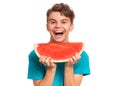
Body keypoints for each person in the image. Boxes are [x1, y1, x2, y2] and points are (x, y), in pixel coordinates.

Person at [27, 3, 90, 86]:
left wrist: (69, 66)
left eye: (64, 22)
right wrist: (51, 69)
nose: (58, 26)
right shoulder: (35, 55)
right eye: (53, 22)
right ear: (47, 27)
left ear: (71, 27)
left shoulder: (81, 56)